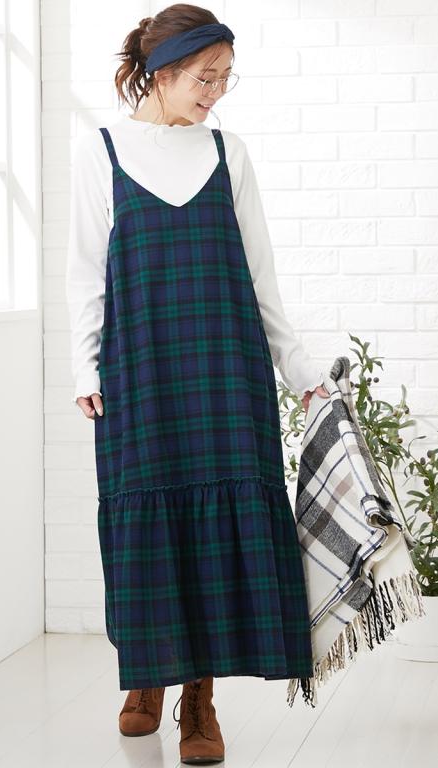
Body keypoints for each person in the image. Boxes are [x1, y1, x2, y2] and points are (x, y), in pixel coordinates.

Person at [66, 5, 331, 764]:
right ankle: (145, 678)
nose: (216, 92)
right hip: (139, 367)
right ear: (162, 72)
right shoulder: (101, 150)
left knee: (217, 527)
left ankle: (199, 698)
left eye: (225, 78)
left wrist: (299, 369)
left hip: (225, 366)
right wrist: (84, 365)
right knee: (147, 521)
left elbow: (260, 276)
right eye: (205, 77)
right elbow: (84, 271)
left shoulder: (227, 151)